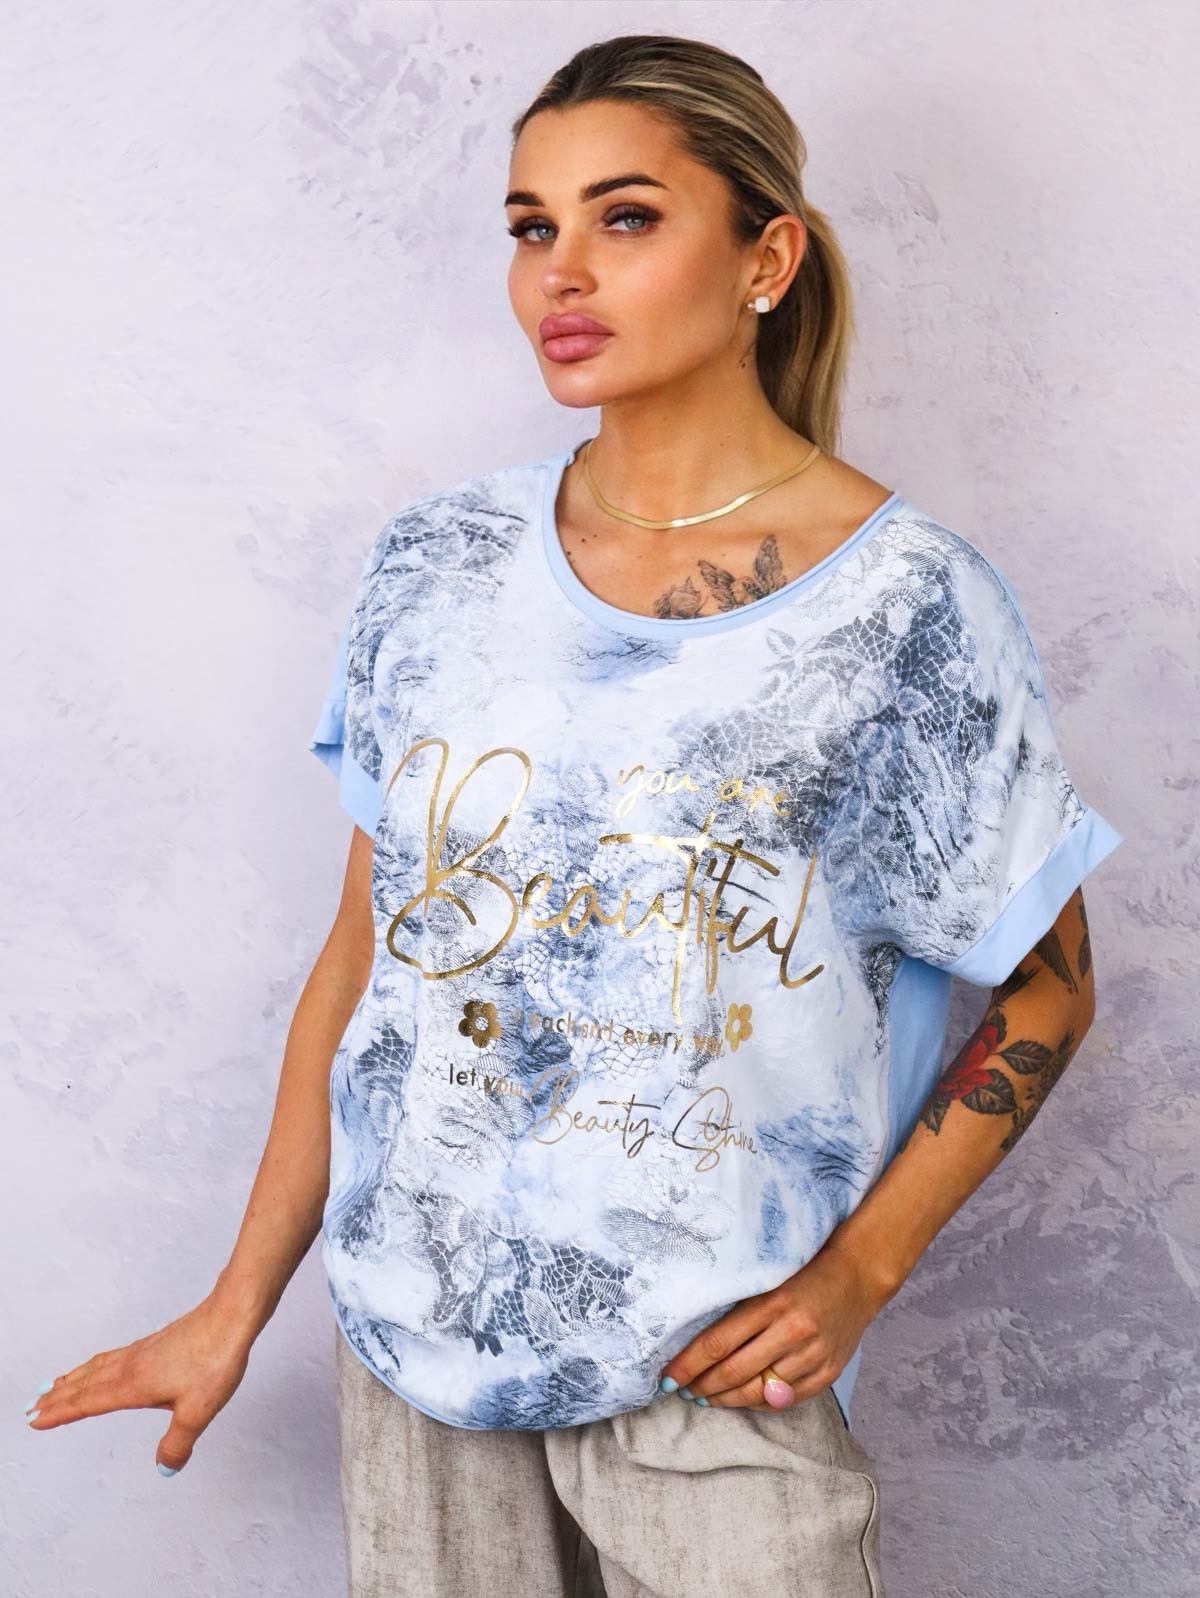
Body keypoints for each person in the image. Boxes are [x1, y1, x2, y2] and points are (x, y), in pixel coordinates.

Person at [24, 32, 1124, 1598]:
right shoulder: (438, 563)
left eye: (626, 217)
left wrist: (860, 1273)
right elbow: (364, 963)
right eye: (532, 225)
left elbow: (1051, 987)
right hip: (417, 1351)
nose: (562, 270)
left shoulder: (907, 607)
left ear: (767, 258)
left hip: (714, 1369)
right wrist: (234, 1305)